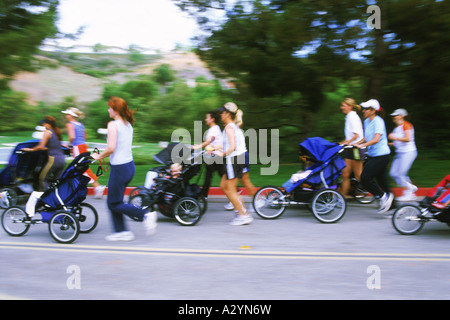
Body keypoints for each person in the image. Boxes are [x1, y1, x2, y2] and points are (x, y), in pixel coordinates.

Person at [91, 96, 157, 241]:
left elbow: (111, 148)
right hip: (129, 166)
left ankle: (145, 215)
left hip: (120, 168)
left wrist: (98, 157)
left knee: (113, 203)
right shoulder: (127, 125)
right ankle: (121, 232)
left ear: (115, 110)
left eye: (109, 107)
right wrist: (101, 152)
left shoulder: (113, 125)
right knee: (116, 201)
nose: (108, 110)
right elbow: (116, 146)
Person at [215, 102, 253, 225]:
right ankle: (240, 210)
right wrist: (214, 148)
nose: (220, 114)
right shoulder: (233, 126)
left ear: (227, 114)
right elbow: (228, 144)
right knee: (223, 185)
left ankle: (243, 215)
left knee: (230, 189)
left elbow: (233, 146)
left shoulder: (229, 127)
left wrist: (222, 154)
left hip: (234, 159)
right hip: (237, 158)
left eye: (222, 112)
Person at [354, 99, 394, 214]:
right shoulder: (367, 121)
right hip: (374, 155)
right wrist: (357, 143)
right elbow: (367, 137)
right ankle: (393, 206)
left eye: (366, 109)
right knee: (383, 182)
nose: (364, 111)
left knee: (365, 177)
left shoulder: (378, 121)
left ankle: (382, 197)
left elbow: (376, 139)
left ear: (372, 111)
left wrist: (362, 146)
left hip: (382, 155)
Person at [62, 107, 105, 198]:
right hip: (83, 146)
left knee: (81, 167)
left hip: (77, 147)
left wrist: (69, 145)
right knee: (80, 167)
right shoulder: (81, 124)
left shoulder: (69, 124)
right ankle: (78, 188)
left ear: (71, 116)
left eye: (67, 114)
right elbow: (85, 136)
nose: (65, 116)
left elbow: (72, 137)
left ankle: (97, 186)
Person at [22, 116, 66, 191]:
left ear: (48, 124)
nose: (43, 125)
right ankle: (56, 198)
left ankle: (45, 198)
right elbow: (54, 145)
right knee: (55, 181)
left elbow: (41, 146)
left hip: (53, 160)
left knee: (42, 178)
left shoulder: (47, 132)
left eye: (44, 124)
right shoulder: (56, 132)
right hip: (62, 160)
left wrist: (30, 149)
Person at [191, 111, 223, 198]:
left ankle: (234, 193)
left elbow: (208, 141)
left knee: (219, 176)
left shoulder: (214, 129)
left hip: (216, 156)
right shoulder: (214, 129)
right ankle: (204, 195)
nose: (206, 119)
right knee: (211, 175)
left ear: (212, 119)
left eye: (207, 117)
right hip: (214, 155)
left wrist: (198, 147)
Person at [388, 108, 418, 201]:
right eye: (393, 116)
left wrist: (394, 137)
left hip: (408, 152)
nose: (394, 117)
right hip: (400, 153)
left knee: (401, 174)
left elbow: (407, 139)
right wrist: (389, 143)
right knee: (393, 173)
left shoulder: (406, 125)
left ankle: (409, 192)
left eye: (396, 115)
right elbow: (397, 142)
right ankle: (410, 188)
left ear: (402, 116)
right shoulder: (396, 128)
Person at [339, 98, 364, 197]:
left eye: (343, 105)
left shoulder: (353, 116)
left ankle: (378, 193)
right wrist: (342, 142)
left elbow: (356, 134)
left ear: (349, 106)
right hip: (350, 149)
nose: (342, 107)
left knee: (359, 175)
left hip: (356, 149)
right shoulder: (349, 116)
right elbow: (350, 136)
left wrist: (347, 143)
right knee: (345, 174)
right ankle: (342, 197)